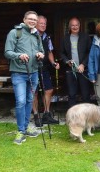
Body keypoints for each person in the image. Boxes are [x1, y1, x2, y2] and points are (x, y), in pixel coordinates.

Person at [4, 10, 44, 145]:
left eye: (35, 20)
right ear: (24, 19)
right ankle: (20, 131)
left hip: (33, 73)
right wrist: (19, 55)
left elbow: (42, 50)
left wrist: (40, 54)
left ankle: (26, 127)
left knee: (29, 100)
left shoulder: (36, 34)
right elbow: (7, 52)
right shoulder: (15, 33)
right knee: (20, 101)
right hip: (19, 73)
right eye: (30, 19)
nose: (33, 21)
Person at [32, 15, 60, 126]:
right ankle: (36, 115)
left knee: (48, 90)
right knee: (34, 92)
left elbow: (49, 52)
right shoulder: (31, 36)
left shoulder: (47, 37)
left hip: (44, 67)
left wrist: (53, 63)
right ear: (36, 23)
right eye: (41, 23)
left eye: (44, 23)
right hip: (33, 67)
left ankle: (46, 114)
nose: (43, 25)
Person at [60, 17, 92, 108]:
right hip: (70, 70)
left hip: (83, 70)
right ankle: (72, 117)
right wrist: (67, 61)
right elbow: (61, 53)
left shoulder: (85, 37)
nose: (74, 27)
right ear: (69, 26)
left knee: (86, 94)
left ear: (79, 25)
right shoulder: (65, 38)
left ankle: (88, 115)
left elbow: (90, 52)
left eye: (76, 25)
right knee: (71, 94)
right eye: (72, 25)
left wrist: (83, 64)